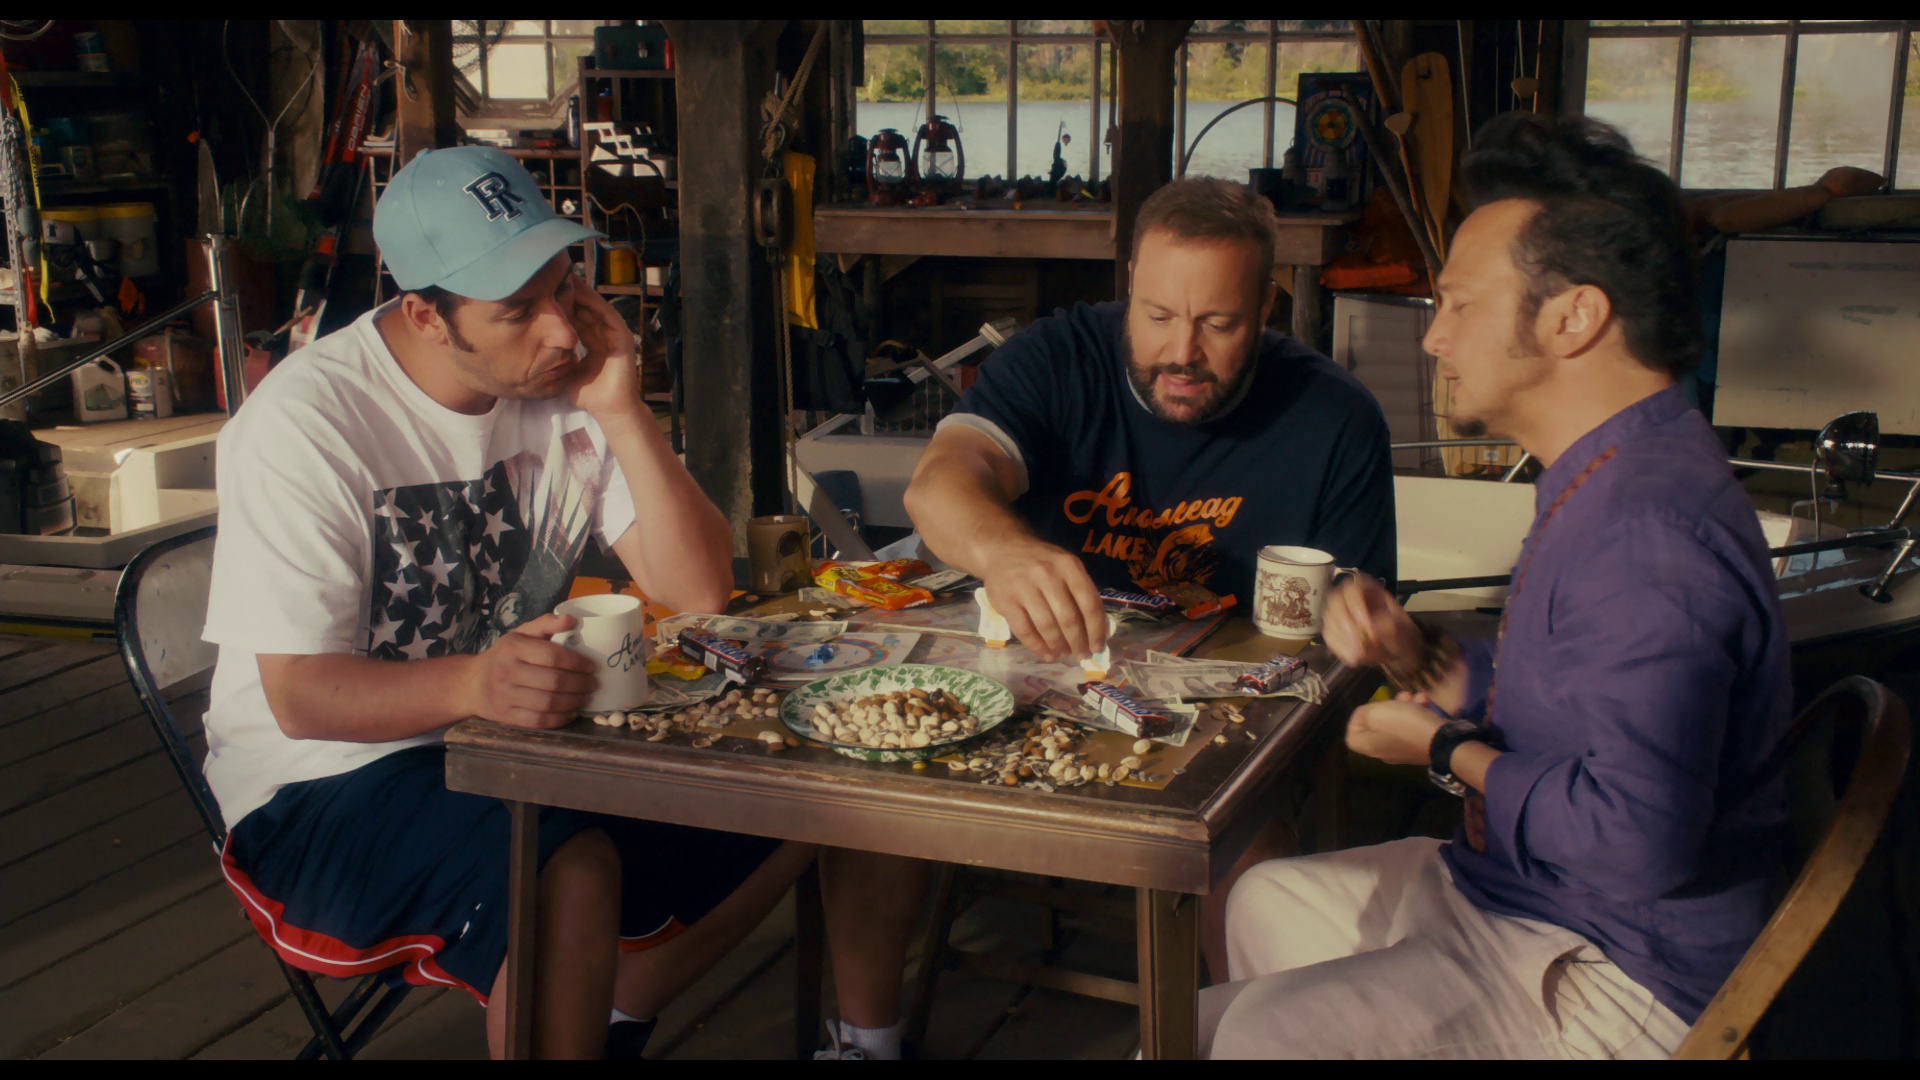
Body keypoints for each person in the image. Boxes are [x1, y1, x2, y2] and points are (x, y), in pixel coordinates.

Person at [201, 147, 858, 1059]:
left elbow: (699, 592)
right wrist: (476, 684)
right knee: (568, 869)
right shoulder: (306, 423)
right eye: (517, 310)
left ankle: (609, 1015)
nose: (558, 331)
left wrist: (624, 410)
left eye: (563, 286)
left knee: (811, 779)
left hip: (521, 739)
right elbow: (301, 698)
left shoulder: (563, 384)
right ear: (426, 315)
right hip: (321, 782)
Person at [1203, 113, 1794, 1059]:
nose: (1435, 338)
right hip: (1521, 892)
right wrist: (1424, 659)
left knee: (1262, 1034)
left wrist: (1445, 749)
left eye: (1461, 305)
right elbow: (1571, 695)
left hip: (1617, 969)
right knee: (1264, 900)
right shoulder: (1605, 469)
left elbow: (1638, 843)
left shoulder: (1648, 533)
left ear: (1573, 317)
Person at [896, 176, 1397, 981]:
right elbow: (936, 486)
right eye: (1158, 315)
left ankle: (1249, 1030)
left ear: (1265, 308)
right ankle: (864, 1036)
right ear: (1130, 285)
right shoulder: (1059, 358)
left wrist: (1365, 624)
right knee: (871, 784)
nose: (1181, 353)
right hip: (1040, 681)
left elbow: (1360, 633)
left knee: (1245, 858)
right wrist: (1006, 552)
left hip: (1226, 718)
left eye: (1218, 324)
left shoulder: (1336, 417)